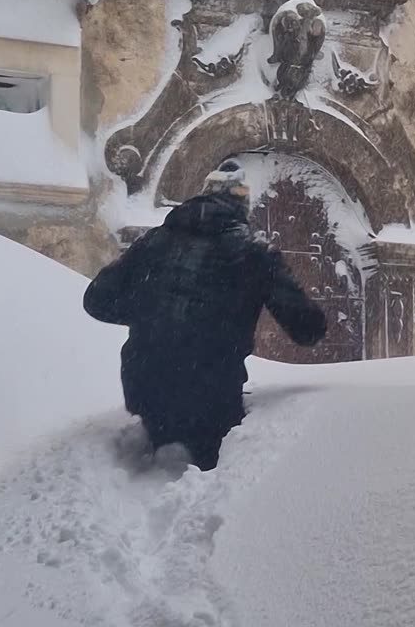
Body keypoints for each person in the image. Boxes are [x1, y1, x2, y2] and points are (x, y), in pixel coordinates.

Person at [83, 159, 327, 470]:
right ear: (242, 205)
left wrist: (151, 314)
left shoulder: (154, 242)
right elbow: (308, 329)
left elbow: (96, 300)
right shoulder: (252, 252)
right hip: (211, 399)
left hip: (144, 386)